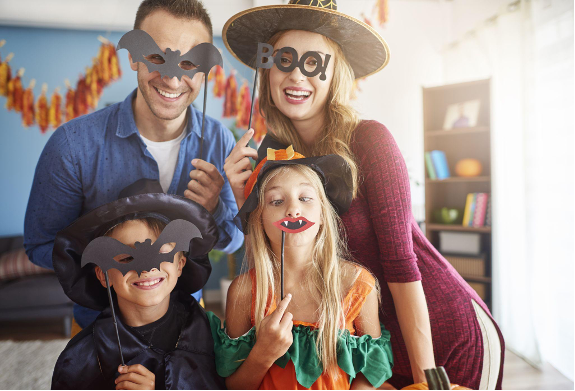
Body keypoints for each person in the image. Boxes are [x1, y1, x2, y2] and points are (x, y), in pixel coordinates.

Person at [222, 1, 504, 389]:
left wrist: (427, 379)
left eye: (314, 62)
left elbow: (402, 264)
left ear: (335, 71)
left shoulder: (369, 140)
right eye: (284, 60)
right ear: (267, 70)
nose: (296, 75)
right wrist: (244, 202)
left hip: (437, 337)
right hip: (362, 347)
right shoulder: (273, 159)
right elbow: (277, 261)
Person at [24, 0, 243, 332]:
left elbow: (233, 241)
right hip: (101, 330)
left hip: (188, 329)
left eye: (188, 62)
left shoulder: (220, 143)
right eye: (157, 58)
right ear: (133, 56)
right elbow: (40, 245)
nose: (172, 79)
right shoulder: (72, 145)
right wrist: (112, 252)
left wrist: (211, 210)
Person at [210, 147, 393, 390]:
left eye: (305, 198)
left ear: (322, 212)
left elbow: (370, 375)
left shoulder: (357, 286)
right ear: (259, 218)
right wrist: (263, 353)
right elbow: (234, 386)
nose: (293, 210)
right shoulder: (244, 292)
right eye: (276, 201)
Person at [51, 179, 226, 390]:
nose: (147, 269)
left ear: (180, 265)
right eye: (126, 258)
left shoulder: (212, 337)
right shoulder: (80, 360)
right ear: (103, 275)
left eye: (162, 253)